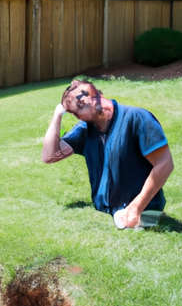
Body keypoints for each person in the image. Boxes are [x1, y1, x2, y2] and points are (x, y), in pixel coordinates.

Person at [42, 79, 174, 229]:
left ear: (99, 93)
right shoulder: (84, 131)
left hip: (145, 211)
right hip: (105, 214)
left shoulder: (137, 118)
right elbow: (49, 156)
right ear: (79, 116)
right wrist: (58, 114)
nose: (85, 100)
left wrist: (136, 207)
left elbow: (165, 164)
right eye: (79, 104)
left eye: (87, 94)